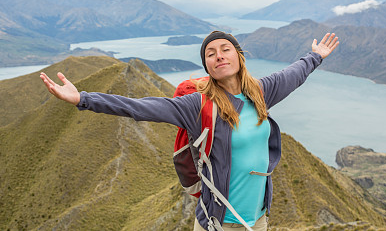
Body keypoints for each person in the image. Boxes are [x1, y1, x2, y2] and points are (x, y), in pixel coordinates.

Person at [40, 31, 339, 231]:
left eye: (225, 49)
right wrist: (83, 98)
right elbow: (139, 107)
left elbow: (294, 74)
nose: (219, 55)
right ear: (207, 66)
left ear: (239, 57)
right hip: (220, 224)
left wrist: (316, 56)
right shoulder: (197, 105)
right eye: (211, 53)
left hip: (258, 219)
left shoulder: (261, 92)